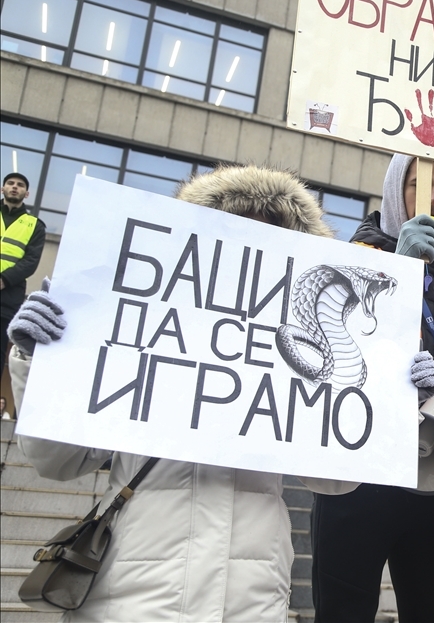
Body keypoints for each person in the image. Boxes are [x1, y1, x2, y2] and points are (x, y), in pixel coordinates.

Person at [7, 164, 335, 621]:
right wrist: (38, 363)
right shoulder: (135, 332)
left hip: (250, 602)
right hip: (133, 600)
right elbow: (56, 460)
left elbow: (337, 480)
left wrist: (390, 399)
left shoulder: (298, 350)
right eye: (231, 233)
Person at [308, 154, 434, 623]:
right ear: (392, 189)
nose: (432, 199)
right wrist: (396, 275)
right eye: (417, 185)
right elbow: (329, 357)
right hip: (359, 475)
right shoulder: (351, 258)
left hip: (433, 473)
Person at [2, 171, 45, 373]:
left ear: (26, 193)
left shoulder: (34, 225)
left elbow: (31, 261)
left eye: (20, 185)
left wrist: (4, 280)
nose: (14, 186)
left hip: (7, 299)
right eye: (10, 183)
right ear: (3, 188)